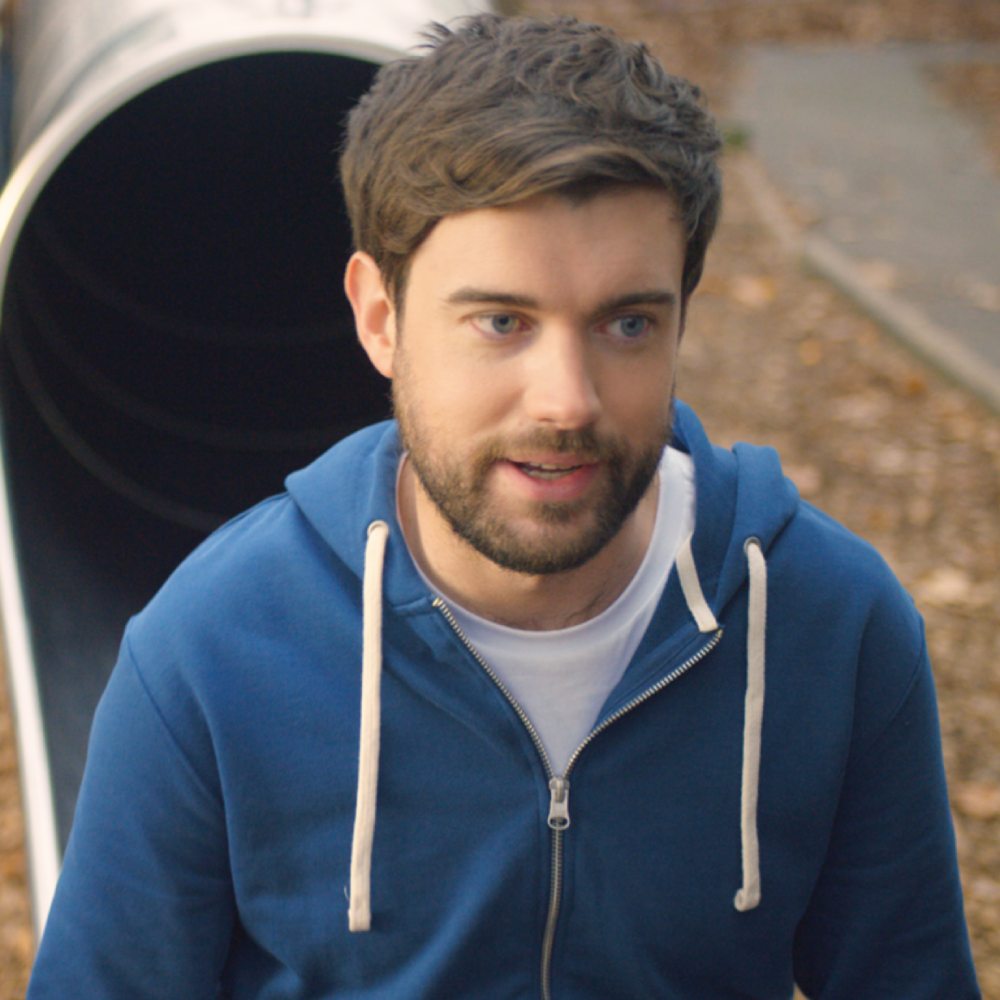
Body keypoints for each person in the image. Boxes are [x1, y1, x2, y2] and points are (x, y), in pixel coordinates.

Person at [28, 13, 979, 999]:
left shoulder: (833, 628)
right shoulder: (212, 652)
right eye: (500, 321)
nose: (565, 398)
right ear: (380, 319)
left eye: (626, 322)